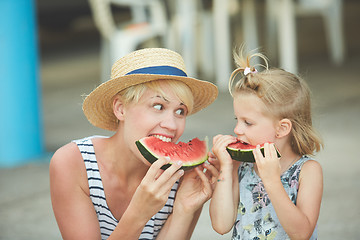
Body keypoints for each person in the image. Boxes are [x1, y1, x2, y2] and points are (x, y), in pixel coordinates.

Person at [49, 48, 219, 240]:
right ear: (120, 109)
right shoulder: (73, 164)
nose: (171, 125)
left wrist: (184, 209)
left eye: (180, 111)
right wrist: (139, 213)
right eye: (158, 106)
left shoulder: (182, 176)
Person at [209, 48, 323, 239]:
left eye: (248, 122)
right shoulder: (243, 168)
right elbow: (221, 225)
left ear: (282, 128)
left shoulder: (307, 171)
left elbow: (302, 233)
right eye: (237, 119)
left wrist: (272, 180)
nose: (237, 129)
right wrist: (226, 171)